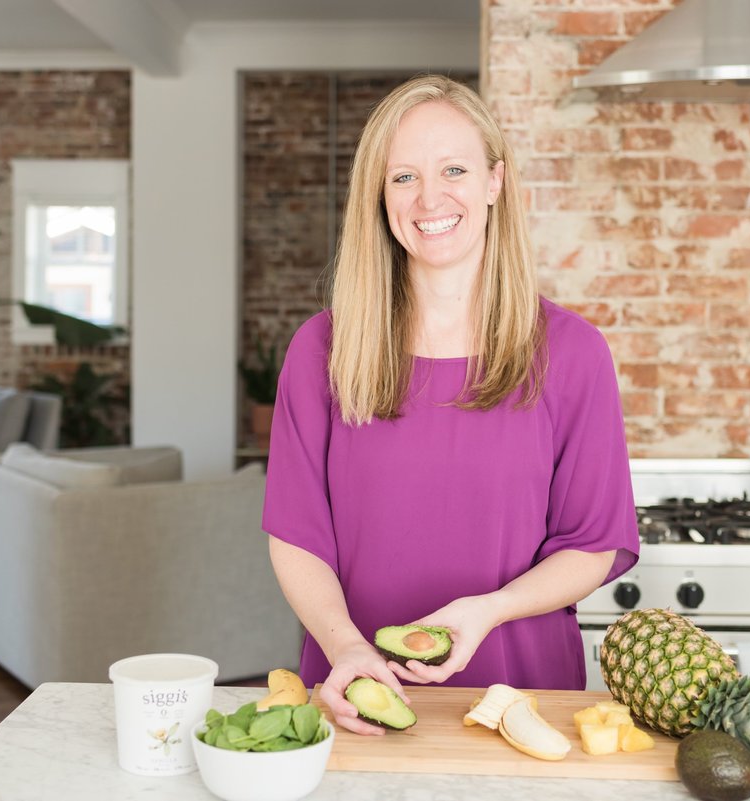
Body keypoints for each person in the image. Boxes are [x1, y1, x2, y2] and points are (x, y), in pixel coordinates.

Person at [262, 75, 639, 736]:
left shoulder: (574, 353)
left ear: (495, 181)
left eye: (454, 169)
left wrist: (491, 609)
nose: (429, 197)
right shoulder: (321, 347)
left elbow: (593, 545)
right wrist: (346, 644)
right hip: (357, 698)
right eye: (403, 176)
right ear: (379, 196)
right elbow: (296, 534)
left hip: (524, 704)